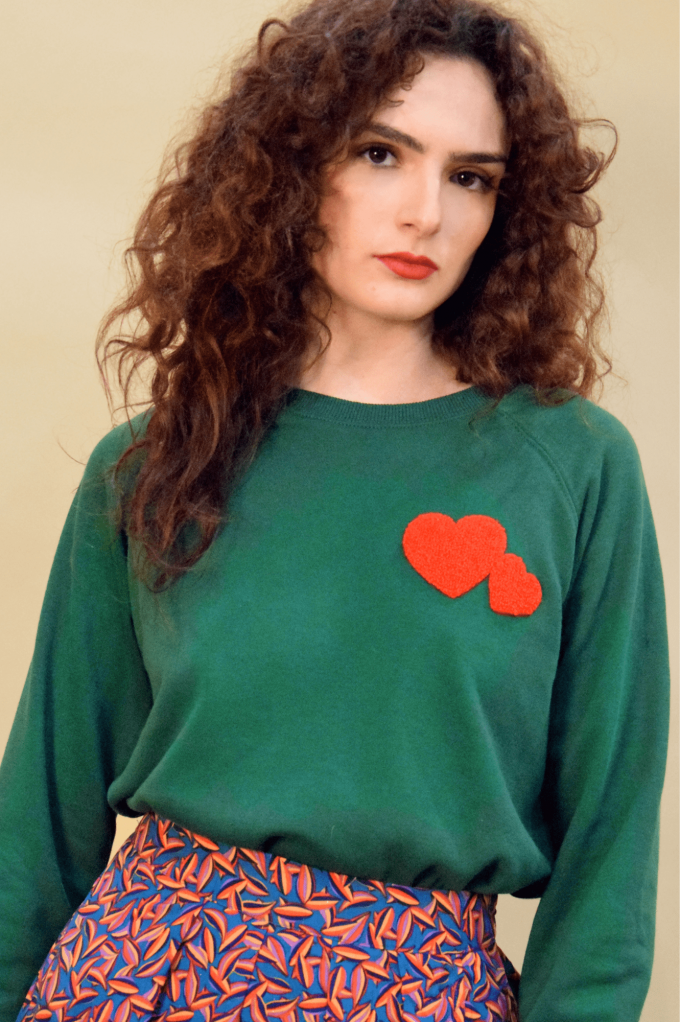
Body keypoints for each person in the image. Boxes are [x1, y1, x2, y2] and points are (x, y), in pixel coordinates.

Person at [0, 0, 669, 1020]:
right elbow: (39, 822)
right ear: (290, 168)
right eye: (379, 153)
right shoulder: (153, 463)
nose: (425, 213)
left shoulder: (572, 468)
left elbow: (608, 850)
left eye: (471, 177)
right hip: (139, 976)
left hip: (418, 991)